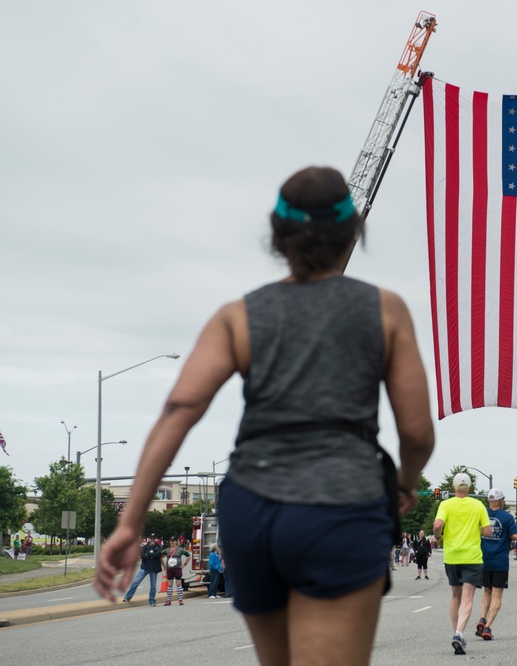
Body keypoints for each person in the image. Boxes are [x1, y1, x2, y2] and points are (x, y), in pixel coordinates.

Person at [94, 166, 436, 666]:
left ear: (276, 236)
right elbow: (416, 431)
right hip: (343, 503)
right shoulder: (383, 310)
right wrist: (404, 484)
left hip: (253, 507)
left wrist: (130, 523)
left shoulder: (240, 315)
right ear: (352, 232)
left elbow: (180, 409)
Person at [434, 472, 492, 655]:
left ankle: (455, 633)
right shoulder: (478, 505)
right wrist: (479, 528)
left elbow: (437, 525)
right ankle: (459, 633)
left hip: (452, 556)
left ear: (453, 487)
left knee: (455, 597)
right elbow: (488, 531)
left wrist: (438, 537)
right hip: (472, 557)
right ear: (470, 488)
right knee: (468, 598)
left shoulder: (445, 504)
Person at [475, 488, 517, 641]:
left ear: (488, 500)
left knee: (486, 591)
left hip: (483, 559)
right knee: (497, 594)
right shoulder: (507, 517)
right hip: (499, 561)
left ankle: (482, 617)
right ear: (501, 500)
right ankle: (488, 626)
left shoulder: (481, 514)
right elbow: (516, 535)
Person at [121, 535, 163, 606]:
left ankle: (152, 600)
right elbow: (142, 556)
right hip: (144, 568)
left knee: (153, 586)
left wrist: (149, 554)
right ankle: (127, 597)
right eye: (151, 538)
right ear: (149, 539)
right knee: (136, 582)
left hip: (154, 568)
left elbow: (158, 555)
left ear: (156, 539)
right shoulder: (145, 547)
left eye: (153, 538)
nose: (152, 539)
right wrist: (152, 555)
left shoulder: (159, 547)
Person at [161, 537, 191, 606]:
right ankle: (168, 600)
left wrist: (184, 564)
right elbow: (160, 556)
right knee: (170, 585)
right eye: (171, 541)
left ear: (176, 542)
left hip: (177, 568)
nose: (172, 543)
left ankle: (180, 599)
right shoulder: (167, 550)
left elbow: (188, 556)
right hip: (170, 569)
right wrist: (164, 566)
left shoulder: (180, 550)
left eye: (173, 541)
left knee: (178, 584)